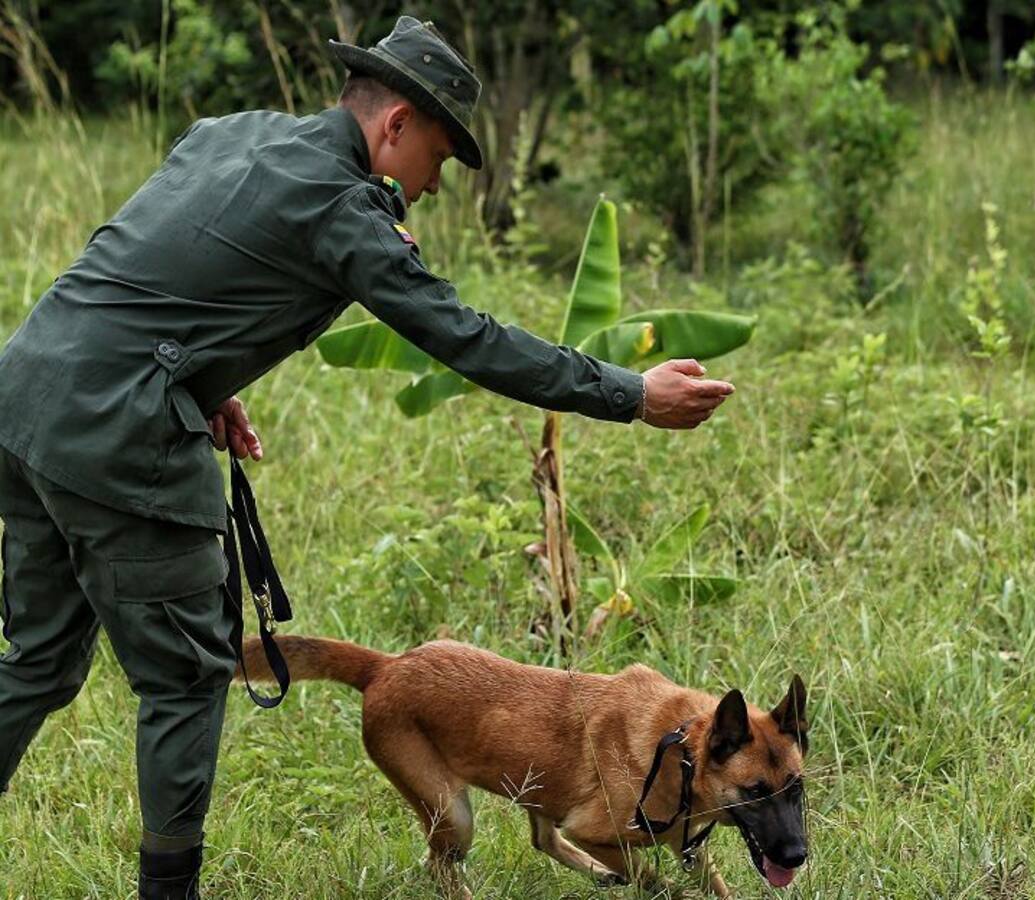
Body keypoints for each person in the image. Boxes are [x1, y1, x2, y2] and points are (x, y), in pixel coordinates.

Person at [0, 14, 735, 900]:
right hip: (120, 439)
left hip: (26, 397)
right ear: (394, 126)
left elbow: (162, 262)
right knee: (188, 678)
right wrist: (630, 395)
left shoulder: (230, 135)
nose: (431, 186)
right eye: (438, 157)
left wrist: (201, 373)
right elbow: (465, 338)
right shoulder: (342, 210)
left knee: (36, 660)